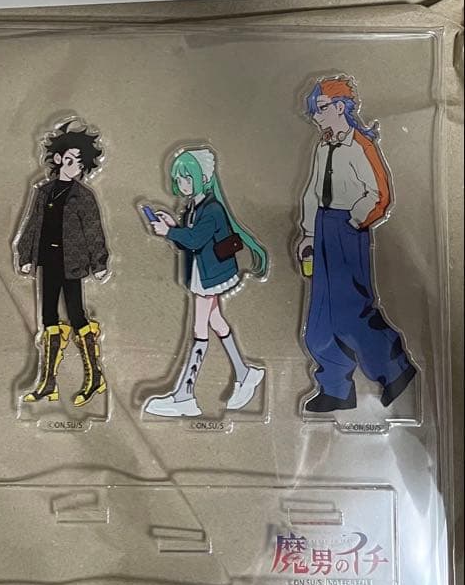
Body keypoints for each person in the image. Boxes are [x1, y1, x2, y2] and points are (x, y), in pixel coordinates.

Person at [297, 76, 417, 412]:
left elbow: (380, 195)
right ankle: (335, 387)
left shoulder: (361, 146)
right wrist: (309, 233)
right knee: (320, 316)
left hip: (347, 229)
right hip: (323, 226)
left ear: (340, 108)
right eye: (314, 110)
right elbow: (312, 192)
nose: (315, 116)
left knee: (352, 310)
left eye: (321, 108)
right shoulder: (323, 147)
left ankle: (395, 369)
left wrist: (353, 221)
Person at [144, 148, 268, 417]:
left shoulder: (212, 209)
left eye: (187, 177)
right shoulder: (194, 207)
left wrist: (170, 232)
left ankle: (185, 395)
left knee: (200, 327)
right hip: (204, 273)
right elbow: (189, 241)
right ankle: (245, 373)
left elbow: (196, 239)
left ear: (202, 178)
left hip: (211, 276)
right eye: (179, 179)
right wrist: (172, 227)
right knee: (217, 322)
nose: (182, 184)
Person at [14, 120, 109, 408]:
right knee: (48, 318)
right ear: (57, 159)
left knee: (77, 314)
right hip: (48, 261)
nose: (74, 166)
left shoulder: (84, 196)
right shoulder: (43, 192)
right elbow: (32, 224)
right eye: (69, 160)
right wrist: (25, 255)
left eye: (79, 163)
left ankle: (95, 377)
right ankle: (48, 383)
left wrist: (100, 262)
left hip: (73, 263)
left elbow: (94, 231)